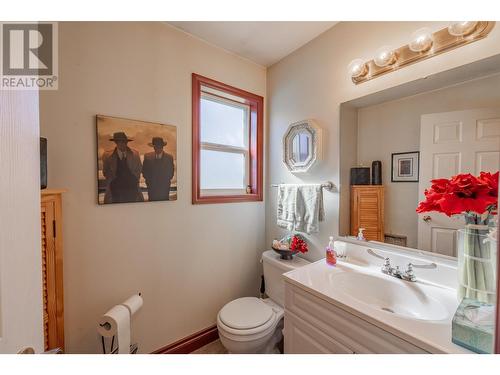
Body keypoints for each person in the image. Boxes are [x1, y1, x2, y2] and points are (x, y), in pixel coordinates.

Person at [102, 132, 144, 203]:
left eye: (124, 142)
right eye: (120, 142)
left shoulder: (135, 154)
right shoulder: (107, 155)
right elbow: (106, 172)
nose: (123, 144)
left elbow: (139, 168)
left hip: (132, 188)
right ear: (116, 142)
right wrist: (113, 181)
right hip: (115, 189)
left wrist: (134, 179)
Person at [142, 137, 175, 201]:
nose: (157, 148)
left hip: (164, 188)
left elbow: (171, 172)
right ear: (153, 147)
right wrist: (149, 183)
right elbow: (144, 171)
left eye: (159, 146)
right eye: (155, 146)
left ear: (162, 146)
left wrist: (165, 183)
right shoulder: (147, 157)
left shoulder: (169, 157)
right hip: (151, 188)